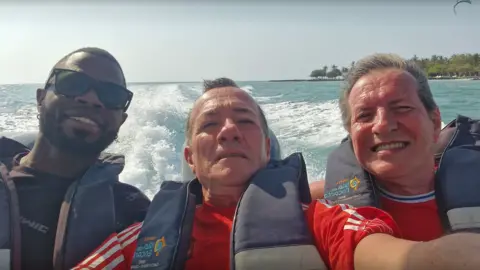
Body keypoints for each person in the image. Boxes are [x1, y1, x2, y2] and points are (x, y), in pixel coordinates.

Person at [74, 77, 480, 270]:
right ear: (190, 158)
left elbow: (412, 260)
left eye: (245, 121)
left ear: (268, 148)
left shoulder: (325, 220)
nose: (229, 130)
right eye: (210, 124)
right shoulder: (141, 239)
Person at [0, 47, 151, 270]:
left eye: (112, 95)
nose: (91, 99)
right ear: (41, 97)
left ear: (122, 120)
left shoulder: (137, 215)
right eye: (72, 83)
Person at [322, 53, 480, 242]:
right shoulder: (324, 214)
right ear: (351, 134)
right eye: (364, 115)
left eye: (402, 108)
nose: (382, 125)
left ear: (435, 122)